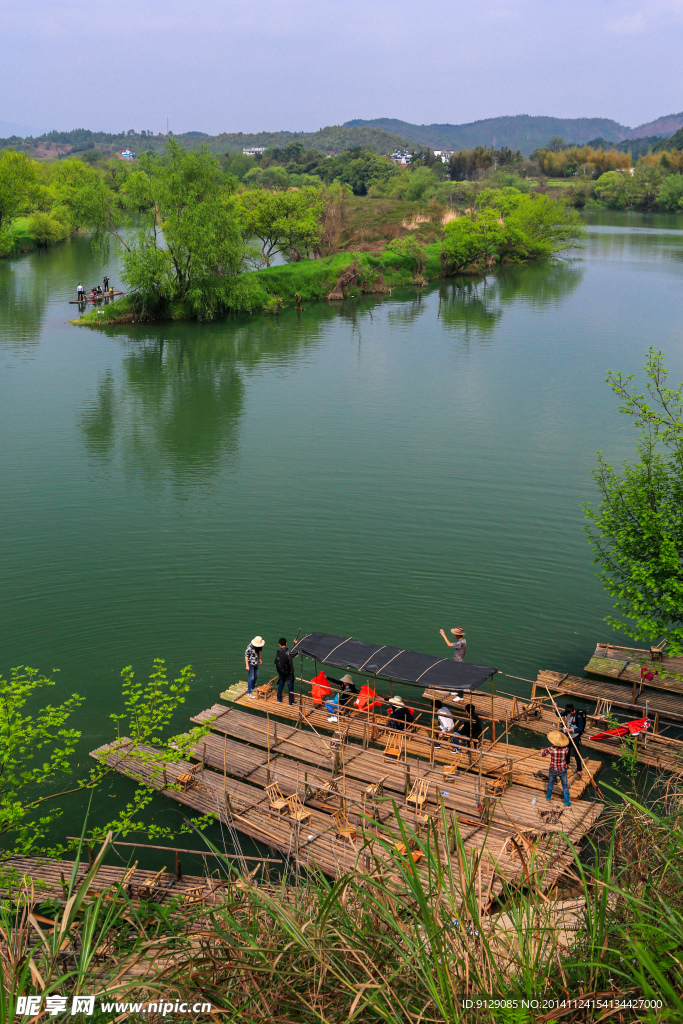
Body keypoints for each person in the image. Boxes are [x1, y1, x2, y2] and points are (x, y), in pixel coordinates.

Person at [541, 730, 571, 806]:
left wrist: (542, 751)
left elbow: (543, 754)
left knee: (551, 782)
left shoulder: (551, 749)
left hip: (553, 769)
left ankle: (548, 797)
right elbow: (565, 752)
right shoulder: (566, 749)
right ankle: (567, 801)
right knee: (564, 784)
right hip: (562, 769)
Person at [561, 703, 586, 777]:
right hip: (568, 736)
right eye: (568, 713)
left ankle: (579, 770)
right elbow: (558, 714)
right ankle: (566, 763)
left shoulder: (579, 716)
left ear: (573, 710)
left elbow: (581, 728)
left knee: (576, 753)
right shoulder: (567, 712)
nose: (569, 714)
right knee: (567, 750)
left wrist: (571, 729)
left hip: (575, 737)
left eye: (570, 713)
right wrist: (555, 706)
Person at [274, 637, 295, 706]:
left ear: (279, 645)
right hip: (289, 672)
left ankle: (279, 699)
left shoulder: (278, 652)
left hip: (281, 672)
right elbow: (295, 652)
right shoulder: (289, 651)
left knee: (281, 685)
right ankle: (290, 702)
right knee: (290, 687)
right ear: (286, 643)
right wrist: (295, 644)